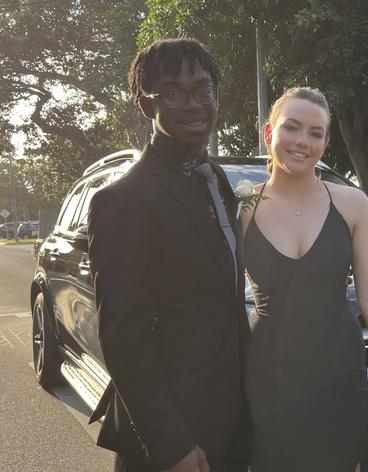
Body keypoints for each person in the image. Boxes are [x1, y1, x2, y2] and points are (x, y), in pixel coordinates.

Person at [87, 39, 251, 472]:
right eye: (174, 93)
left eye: (203, 90)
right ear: (146, 105)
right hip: (173, 437)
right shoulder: (123, 200)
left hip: (233, 422)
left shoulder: (216, 177)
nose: (193, 104)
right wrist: (171, 444)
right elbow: (124, 337)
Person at [241, 87, 368, 472]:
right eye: (292, 128)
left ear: (326, 142)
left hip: (340, 368)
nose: (302, 141)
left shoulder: (351, 203)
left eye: (315, 133)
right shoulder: (243, 210)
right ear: (269, 133)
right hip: (269, 371)